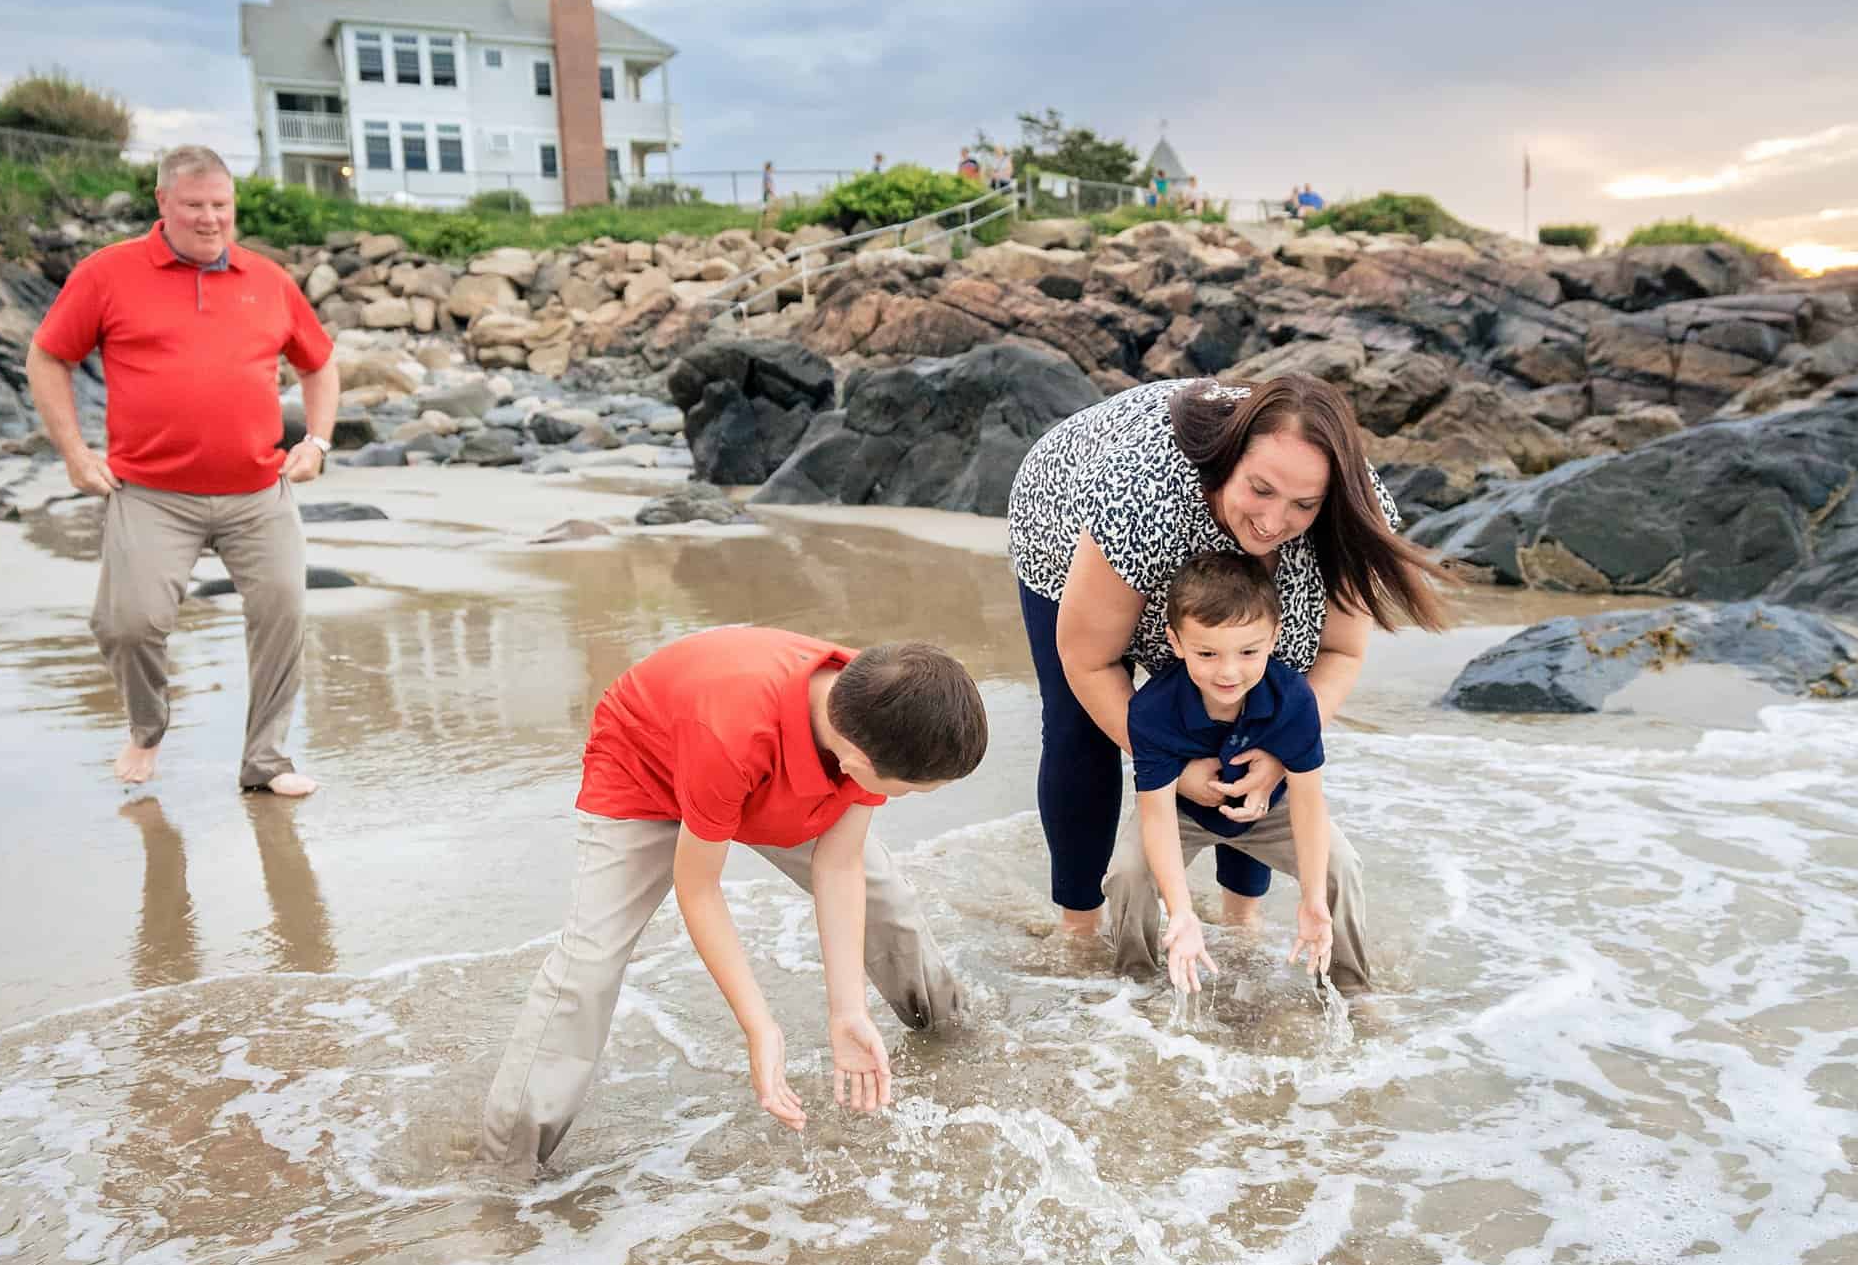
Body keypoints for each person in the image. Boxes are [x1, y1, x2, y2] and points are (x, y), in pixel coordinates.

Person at [477, 628, 988, 1164]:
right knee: (588, 964)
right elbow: (697, 889)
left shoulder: (886, 705)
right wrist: (759, 1028)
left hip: (750, 756)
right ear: (859, 761)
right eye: (912, 790)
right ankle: (507, 1169)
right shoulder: (742, 734)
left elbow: (839, 866)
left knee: (888, 901)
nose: (906, 799)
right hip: (646, 764)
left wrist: (847, 1012)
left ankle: (951, 1032)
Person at [1004, 374, 1455, 935]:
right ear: (1229, 462)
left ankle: (1243, 921)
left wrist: (1279, 755)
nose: (1273, 522)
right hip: (1066, 509)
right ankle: (1080, 928)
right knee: (1080, 727)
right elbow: (1088, 662)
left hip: (1187, 530)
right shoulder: (1143, 496)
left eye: (1302, 505)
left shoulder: (1349, 515)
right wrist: (1174, 767)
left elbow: (1338, 652)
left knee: (1256, 700)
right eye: (1261, 490)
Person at [26, 146, 339, 797]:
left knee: (283, 612)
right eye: (194, 205)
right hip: (151, 492)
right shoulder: (108, 273)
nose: (209, 219)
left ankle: (266, 762)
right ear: (162, 202)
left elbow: (319, 362)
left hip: (258, 489)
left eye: (221, 205)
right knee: (127, 624)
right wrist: (76, 456)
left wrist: (316, 441)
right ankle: (147, 725)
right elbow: (48, 356)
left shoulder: (268, 279)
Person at [1105, 553, 1368, 993]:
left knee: (1341, 866)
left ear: (1274, 638)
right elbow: (1157, 815)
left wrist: (1312, 900)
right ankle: (1136, 982)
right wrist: (1182, 912)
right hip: (1184, 813)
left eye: (1248, 651)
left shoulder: (1295, 700)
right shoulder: (1151, 710)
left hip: (1274, 809)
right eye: (1207, 653)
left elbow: (1308, 803)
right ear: (1176, 642)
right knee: (1128, 871)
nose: (1228, 671)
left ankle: (1350, 988)